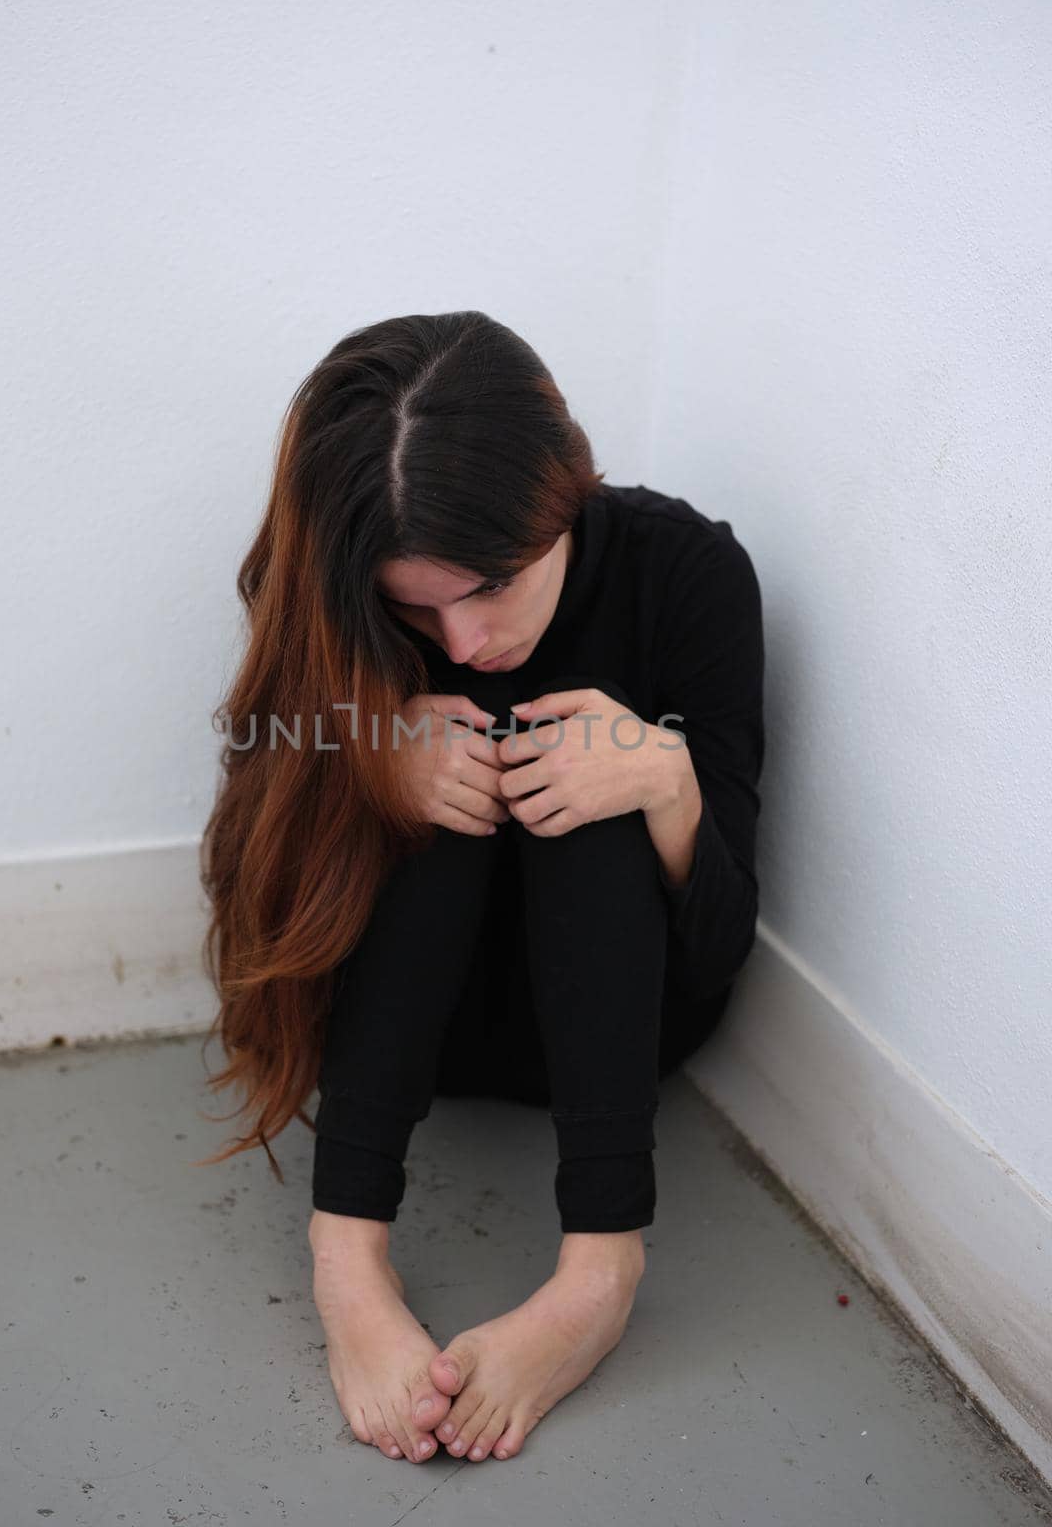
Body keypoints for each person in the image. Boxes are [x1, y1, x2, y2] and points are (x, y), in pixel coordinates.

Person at [197, 309, 765, 1469]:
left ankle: (599, 1272)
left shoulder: (690, 574)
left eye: (491, 585)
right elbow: (260, 886)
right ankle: (346, 1252)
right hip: (406, 1030)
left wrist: (666, 781)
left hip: (617, 1028)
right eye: (419, 607)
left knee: (591, 763)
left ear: (566, 492)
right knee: (445, 757)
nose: (462, 637)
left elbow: (719, 947)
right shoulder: (338, 599)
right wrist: (369, 763)